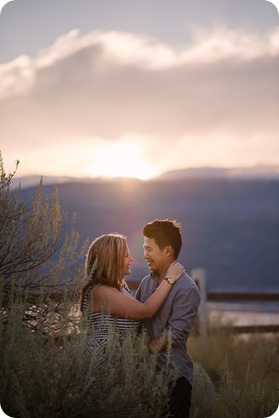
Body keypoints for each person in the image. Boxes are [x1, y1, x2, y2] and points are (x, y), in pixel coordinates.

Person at [79, 233, 184, 364]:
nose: (131, 259)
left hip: (120, 364)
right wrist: (170, 278)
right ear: (112, 260)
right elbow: (146, 310)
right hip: (102, 366)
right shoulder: (100, 292)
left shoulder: (121, 287)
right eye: (126, 256)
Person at [135, 219, 201, 418]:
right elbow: (136, 319)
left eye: (149, 249)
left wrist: (138, 351)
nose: (145, 255)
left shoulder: (187, 289)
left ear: (168, 251)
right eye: (144, 249)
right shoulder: (147, 282)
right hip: (144, 377)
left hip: (173, 379)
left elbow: (174, 338)